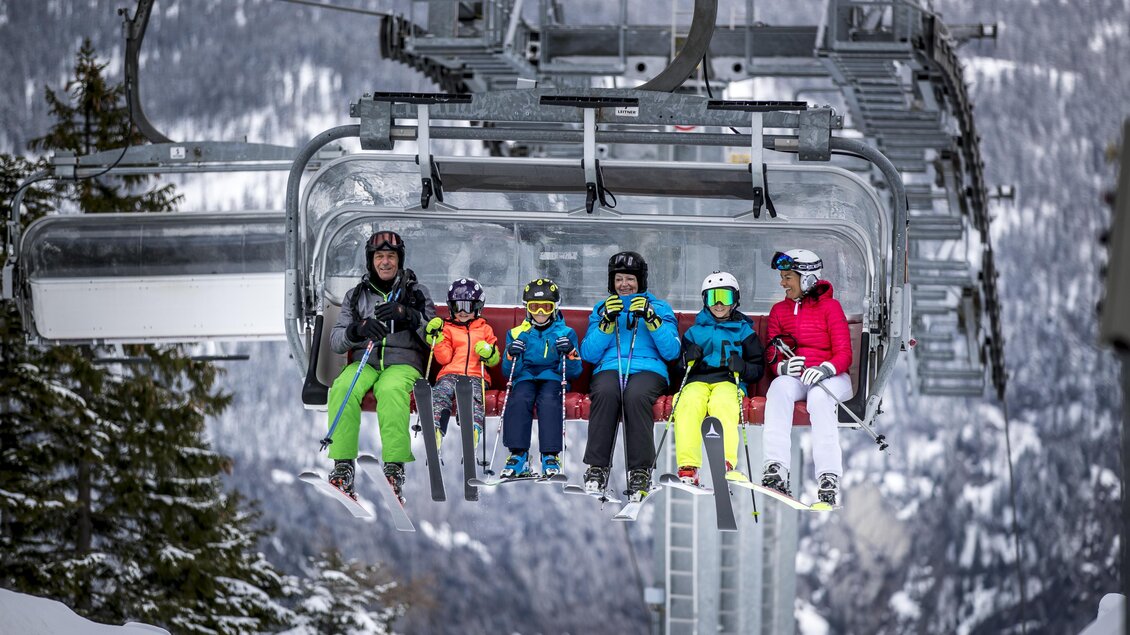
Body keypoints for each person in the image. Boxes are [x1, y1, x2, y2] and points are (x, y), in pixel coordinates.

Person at [327, 230, 436, 502]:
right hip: (366, 360)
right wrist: (358, 329)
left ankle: (394, 468)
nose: (385, 262)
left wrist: (410, 316)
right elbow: (336, 341)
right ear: (370, 260)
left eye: (390, 256)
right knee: (342, 387)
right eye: (379, 256)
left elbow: (435, 338)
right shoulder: (356, 296)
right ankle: (343, 466)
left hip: (403, 362)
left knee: (390, 390)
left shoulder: (416, 293)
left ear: (399, 260)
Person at [580, 251, 680, 501]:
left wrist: (652, 319)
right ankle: (597, 467)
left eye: (630, 279)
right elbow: (588, 353)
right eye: (619, 279)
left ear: (640, 281)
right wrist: (605, 323)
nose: (624, 284)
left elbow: (672, 351)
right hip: (609, 367)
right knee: (606, 392)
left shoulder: (660, 308)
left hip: (649, 370)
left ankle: (640, 470)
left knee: (635, 396)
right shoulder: (602, 309)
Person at [761, 249, 853, 507]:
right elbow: (772, 352)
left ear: (808, 279)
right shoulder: (779, 310)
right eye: (782, 277)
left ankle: (828, 475)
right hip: (799, 376)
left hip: (833, 377)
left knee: (820, 398)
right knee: (778, 389)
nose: (783, 283)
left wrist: (826, 369)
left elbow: (844, 354)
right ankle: (776, 466)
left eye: (788, 277)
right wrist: (782, 368)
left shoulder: (831, 308)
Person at [672, 272, 764, 486]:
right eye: (713, 298)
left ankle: (725, 461)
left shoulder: (744, 332)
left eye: (725, 297)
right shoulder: (694, 332)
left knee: (723, 404)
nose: (719, 304)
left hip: (729, 381)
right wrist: (687, 359)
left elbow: (758, 368)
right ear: (705, 301)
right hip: (697, 380)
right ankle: (688, 466)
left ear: (735, 300)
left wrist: (743, 367)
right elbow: (678, 369)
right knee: (687, 403)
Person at [499, 278, 583, 478]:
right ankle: (518, 455)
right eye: (534, 307)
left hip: (553, 377)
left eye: (546, 307)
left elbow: (574, 372)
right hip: (525, 377)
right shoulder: (517, 333)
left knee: (549, 399)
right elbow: (508, 372)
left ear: (555, 308)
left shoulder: (565, 333)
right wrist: (511, 354)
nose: (540, 313)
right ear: (527, 308)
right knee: (520, 398)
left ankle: (550, 455)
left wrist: (570, 352)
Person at [423, 278, 500, 452]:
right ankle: (435, 429)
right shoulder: (448, 327)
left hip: (476, 375)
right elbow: (444, 358)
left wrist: (488, 352)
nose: (463, 312)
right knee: (440, 393)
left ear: (477, 307)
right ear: (451, 308)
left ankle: (472, 429)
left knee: (473, 396)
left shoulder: (484, 329)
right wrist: (438, 339)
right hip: (450, 373)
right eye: (458, 307)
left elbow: (494, 360)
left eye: (468, 306)